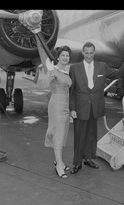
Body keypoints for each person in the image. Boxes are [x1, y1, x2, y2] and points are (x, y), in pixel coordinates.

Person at [69, 42, 124, 174]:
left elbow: (118, 74)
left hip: (95, 107)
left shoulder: (102, 66)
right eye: (86, 53)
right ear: (82, 52)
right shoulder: (74, 68)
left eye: (91, 53)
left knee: (91, 135)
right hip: (80, 107)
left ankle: (88, 158)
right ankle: (77, 163)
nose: (89, 55)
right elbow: (72, 91)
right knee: (79, 136)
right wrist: (72, 109)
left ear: (94, 53)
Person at [44, 45, 72, 179]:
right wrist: (50, 71)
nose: (65, 58)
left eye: (67, 55)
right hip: (56, 106)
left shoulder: (66, 71)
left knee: (63, 134)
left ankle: (59, 160)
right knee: (58, 135)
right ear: (58, 57)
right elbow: (44, 84)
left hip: (66, 106)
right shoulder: (54, 70)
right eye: (63, 55)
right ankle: (59, 165)